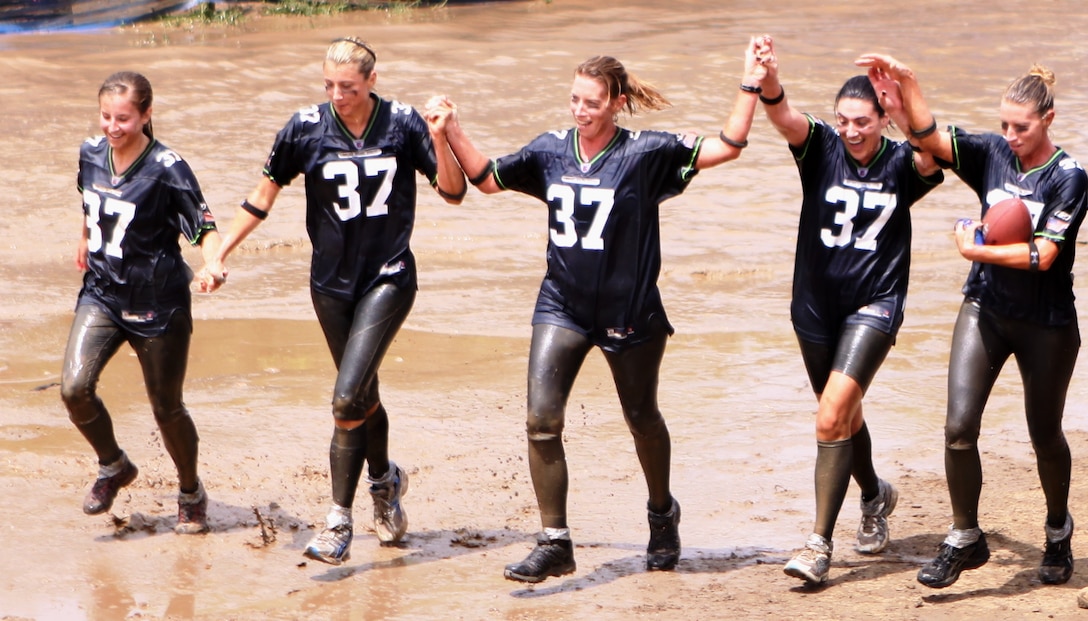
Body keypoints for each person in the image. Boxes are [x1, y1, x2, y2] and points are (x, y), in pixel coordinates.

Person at [425, 40, 766, 583]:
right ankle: (555, 541)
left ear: (617, 103)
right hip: (561, 304)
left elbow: (729, 145)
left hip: (629, 311)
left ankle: (661, 513)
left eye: (591, 102)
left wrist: (750, 81)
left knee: (641, 418)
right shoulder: (549, 150)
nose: (580, 111)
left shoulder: (647, 153)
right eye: (575, 100)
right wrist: (451, 128)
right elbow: (487, 179)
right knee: (541, 420)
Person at [213, 37, 466, 566]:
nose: (337, 96)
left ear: (373, 81)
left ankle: (338, 521)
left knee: (346, 397)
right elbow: (263, 195)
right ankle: (385, 481)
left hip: (389, 278)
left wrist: (441, 139)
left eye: (348, 87)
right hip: (329, 285)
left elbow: (452, 191)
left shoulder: (403, 124)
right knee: (361, 393)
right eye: (329, 85)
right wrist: (218, 253)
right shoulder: (304, 127)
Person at [857, 53, 1087, 589]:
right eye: (1005, 123)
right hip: (985, 307)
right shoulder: (989, 152)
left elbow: (1043, 256)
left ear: (1048, 120)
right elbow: (931, 138)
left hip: (1046, 322)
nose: (1010, 135)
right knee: (959, 428)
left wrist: (974, 250)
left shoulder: (1070, 178)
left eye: (1021, 127)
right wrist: (905, 87)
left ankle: (1057, 529)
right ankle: (965, 536)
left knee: (1044, 433)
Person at [753, 37, 944, 585]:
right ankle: (875, 494)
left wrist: (906, 102)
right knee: (841, 415)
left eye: (863, 120)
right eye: (844, 120)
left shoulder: (904, 160)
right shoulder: (820, 147)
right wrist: (768, 76)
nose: (852, 130)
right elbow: (783, 114)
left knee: (831, 414)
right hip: (813, 306)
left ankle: (818, 544)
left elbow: (936, 154)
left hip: (874, 304)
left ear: (882, 120)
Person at [61, 71, 224, 535]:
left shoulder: (168, 167)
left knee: (166, 407)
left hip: (158, 303)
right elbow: (89, 200)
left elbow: (204, 228)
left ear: (147, 115)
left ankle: (191, 492)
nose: (113, 127)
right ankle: (114, 466)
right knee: (74, 389)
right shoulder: (91, 153)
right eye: (107, 116)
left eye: (124, 119)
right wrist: (85, 238)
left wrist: (214, 265)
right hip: (102, 293)